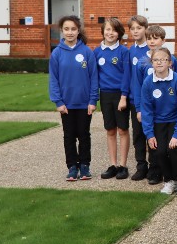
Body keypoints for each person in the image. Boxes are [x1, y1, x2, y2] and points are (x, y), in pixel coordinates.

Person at [49, 15, 98, 182]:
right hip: (66, 105)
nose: (70, 32)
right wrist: (58, 101)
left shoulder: (87, 52)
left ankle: (84, 165)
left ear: (78, 31)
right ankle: (72, 166)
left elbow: (94, 78)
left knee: (84, 135)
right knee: (69, 136)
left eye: (73, 29)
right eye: (66, 29)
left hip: (84, 104)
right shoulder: (56, 53)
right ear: (61, 31)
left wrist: (93, 101)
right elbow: (53, 80)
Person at [141, 47, 177, 197]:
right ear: (152, 63)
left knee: (173, 151)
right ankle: (169, 181)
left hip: (175, 121)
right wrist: (149, 134)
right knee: (160, 152)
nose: (159, 62)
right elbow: (146, 109)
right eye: (156, 60)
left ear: (169, 62)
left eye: (163, 59)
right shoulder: (148, 82)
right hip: (158, 122)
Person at [134, 24, 177, 185]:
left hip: (166, 108)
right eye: (149, 38)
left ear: (163, 40)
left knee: (167, 142)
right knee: (151, 138)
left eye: (156, 38)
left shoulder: (170, 59)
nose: (152, 41)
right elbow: (137, 85)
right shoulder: (142, 62)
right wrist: (139, 109)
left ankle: (169, 170)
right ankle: (154, 170)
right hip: (150, 108)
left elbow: (176, 81)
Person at [94, 17, 131, 180]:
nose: (110, 33)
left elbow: (127, 76)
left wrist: (124, 97)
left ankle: (123, 165)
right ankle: (113, 164)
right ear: (103, 31)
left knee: (123, 129)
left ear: (119, 34)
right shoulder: (96, 52)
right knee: (110, 130)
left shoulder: (124, 52)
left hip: (120, 95)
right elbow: (94, 76)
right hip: (105, 95)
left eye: (114, 30)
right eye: (108, 29)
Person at [126, 15, 150, 181]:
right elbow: (128, 76)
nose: (135, 31)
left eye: (139, 28)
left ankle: (156, 167)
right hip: (136, 101)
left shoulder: (151, 49)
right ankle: (141, 166)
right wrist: (125, 96)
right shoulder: (131, 51)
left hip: (152, 102)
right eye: (133, 28)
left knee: (152, 134)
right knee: (138, 135)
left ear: (145, 29)